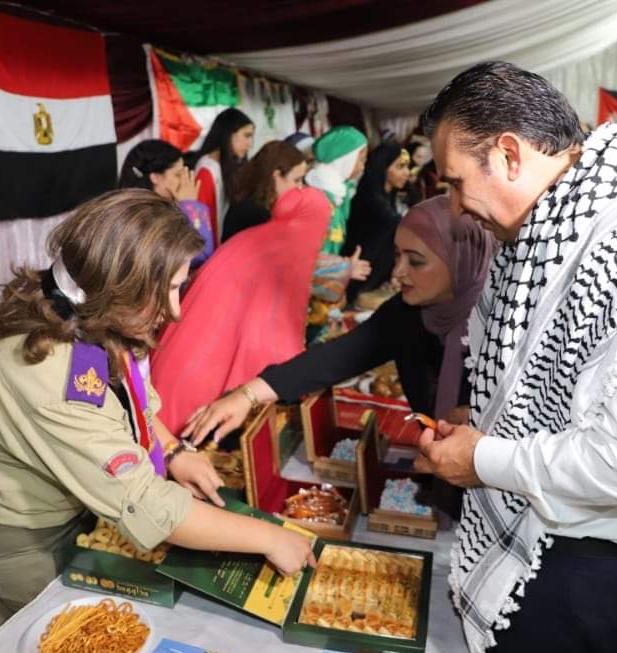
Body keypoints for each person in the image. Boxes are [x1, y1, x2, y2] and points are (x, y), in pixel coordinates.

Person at [414, 62, 617, 653]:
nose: (454, 208)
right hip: (549, 540)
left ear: (509, 155)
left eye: (455, 182)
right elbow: (556, 386)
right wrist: (487, 422)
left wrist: (483, 457)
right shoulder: (557, 217)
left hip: (596, 570)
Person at [0, 190, 315, 640]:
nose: (176, 311)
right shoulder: (47, 371)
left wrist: (172, 449)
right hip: (4, 542)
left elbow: (127, 397)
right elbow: (148, 504)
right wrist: (270, 538)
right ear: (119, 284)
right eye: (167, 291)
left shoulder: (79, 306)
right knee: (49, 644)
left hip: (59, 509)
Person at [183, 195, 496, 449]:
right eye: (397, 256)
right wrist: (245, 396)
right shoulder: (406, 314)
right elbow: (336, 357)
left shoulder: (501, 324)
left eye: (415, 261)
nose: (398, 273)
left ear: (462, 260)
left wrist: (488, 426)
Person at [151, 187, 333, 436]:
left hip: (180, 361)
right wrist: (299, 378)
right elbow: (278, 342)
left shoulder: (258, 237)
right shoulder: (289, 252)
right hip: (202, 385)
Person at [119, 139, 215, 268]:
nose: (184, 180)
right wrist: (191, 205)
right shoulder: (145, 219)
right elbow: (200, 254)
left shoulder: (145, 206)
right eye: (178, 175)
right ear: (155, 177)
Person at [344, 142, 412, 304]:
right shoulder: (369, 197)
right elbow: (396, 224)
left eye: (407, 166)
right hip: (355, 278)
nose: (407, 172)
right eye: (400, 167)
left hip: (371, 278)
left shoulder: (388, 196)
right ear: (383, 167)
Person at [221, 140, 307, 244]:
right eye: (297, 180)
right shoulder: (254, 212)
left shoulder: (255, 200)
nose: (300, 187)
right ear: (276, 176)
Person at [191, 108, 255, 243]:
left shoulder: (227, 165)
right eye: (246, 135)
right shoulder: (207, 170)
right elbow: (202, 220)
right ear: (228, 134)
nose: (250, 143)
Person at [305, 125, 369, 256]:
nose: (362, 167)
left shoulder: (337, 192)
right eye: (361, 160)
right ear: (345, 159)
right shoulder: (318, 194)